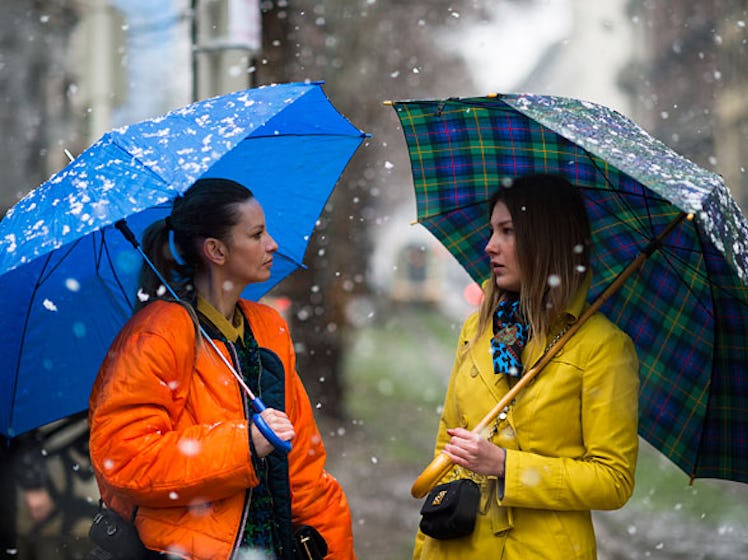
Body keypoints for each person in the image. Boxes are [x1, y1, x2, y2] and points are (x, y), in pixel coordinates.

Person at [88, 178, 356, 560]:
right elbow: (126, 459)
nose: (272, 245)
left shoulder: (268, 328)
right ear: (216, 250)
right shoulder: (158, 333)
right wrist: (243, 444)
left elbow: (303, 470)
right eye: (256, 234)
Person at [413, 174, 639, 559]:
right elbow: (448, 442)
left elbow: (613, 480)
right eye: (491, 231)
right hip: (455, 542)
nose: (489, 246)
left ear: (546, 241)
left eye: (507, 231)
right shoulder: (481, 326)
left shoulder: (602, 347)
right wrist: (426, 547)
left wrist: (506, 466)